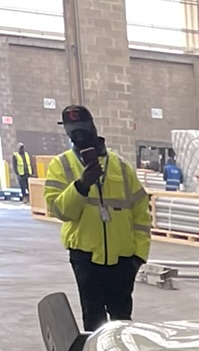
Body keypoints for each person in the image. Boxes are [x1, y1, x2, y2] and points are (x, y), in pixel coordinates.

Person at [44, 105, 151, 331]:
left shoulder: (121, 166)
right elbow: (60, 210)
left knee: (122, 320)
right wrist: (81, 186)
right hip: (86, 257)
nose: (78, 135)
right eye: (73, 131)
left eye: (82, 129)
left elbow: (141, 213)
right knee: (94, 320)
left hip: (123, 258)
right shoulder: (60, 166)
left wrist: (138, 256)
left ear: (93, 127)